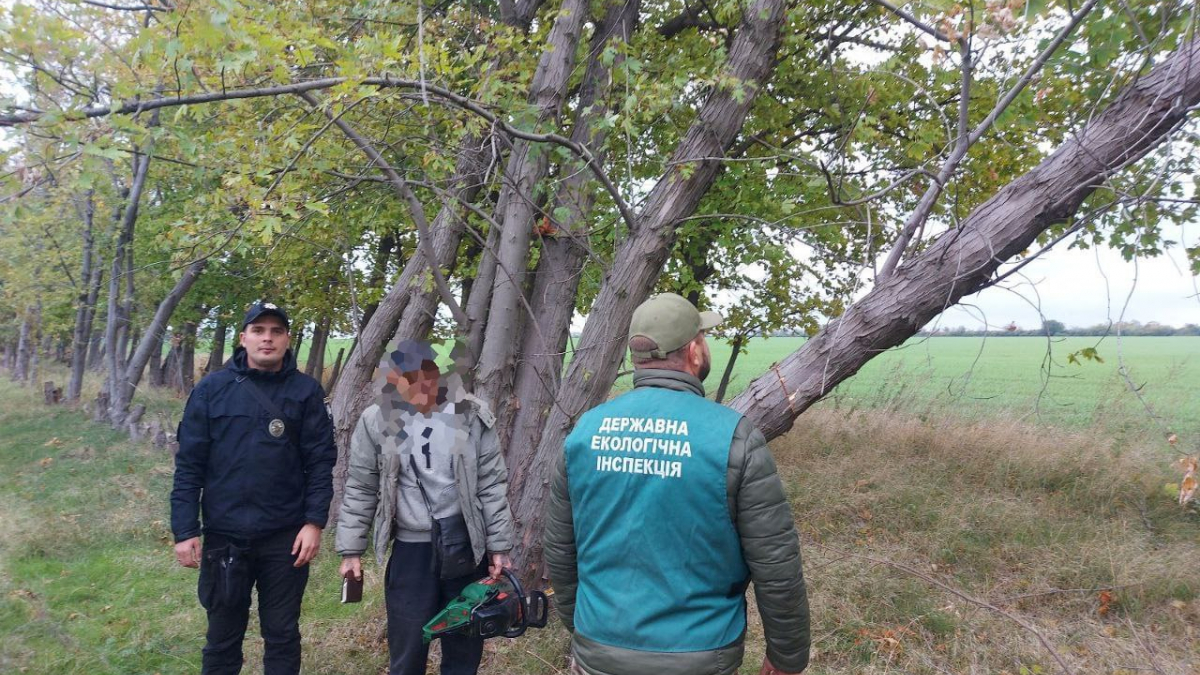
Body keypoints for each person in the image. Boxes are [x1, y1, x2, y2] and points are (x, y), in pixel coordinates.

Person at [544, 292, 812, 675]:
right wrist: (787, 656)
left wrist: (584, 628)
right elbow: (775, 563)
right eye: (703, 337)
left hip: (599, 649)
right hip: (700, 654)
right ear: (694, 351)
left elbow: (560, 550)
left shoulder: (585, 433)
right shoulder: (732, 437)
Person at [170, 301, 337, 675]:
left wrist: (314, 522)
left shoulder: (306, 392)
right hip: (224, 537)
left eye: (276, 331)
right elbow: (188, 467)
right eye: (259, 330)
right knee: (222, 637)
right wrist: (185, 530)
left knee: (281, 634)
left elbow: (320, 463)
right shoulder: (211, 390)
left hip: (285, 538)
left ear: (287, 339)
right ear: (243, 338)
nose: (267, 338)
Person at [336, 339, 516, 675]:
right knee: (407, 650)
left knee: (464, 648)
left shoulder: (472, 415)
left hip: (463, 548)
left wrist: (500, 547)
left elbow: (491, 484)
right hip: (411, 552)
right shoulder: (376, 420)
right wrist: (350, 551)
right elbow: (361, 487)